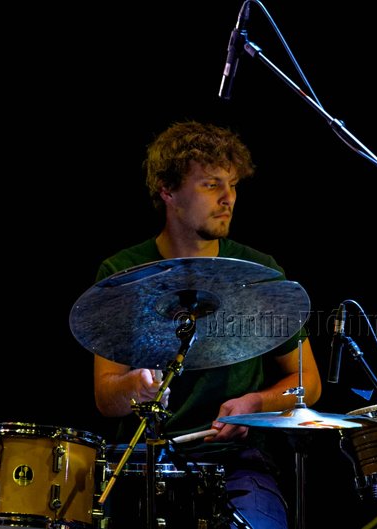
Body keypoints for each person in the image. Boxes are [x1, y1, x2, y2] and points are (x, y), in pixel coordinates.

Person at [92, 120, 322, 529]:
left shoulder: (260, 273)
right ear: (167, 190)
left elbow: (309, 382)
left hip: (238, 464)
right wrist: (135, 387)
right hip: (146, 465)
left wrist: (256, 404)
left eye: (233, 185)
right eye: (211, 185)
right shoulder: (123, 273)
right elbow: (105, 397)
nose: (228, 198)